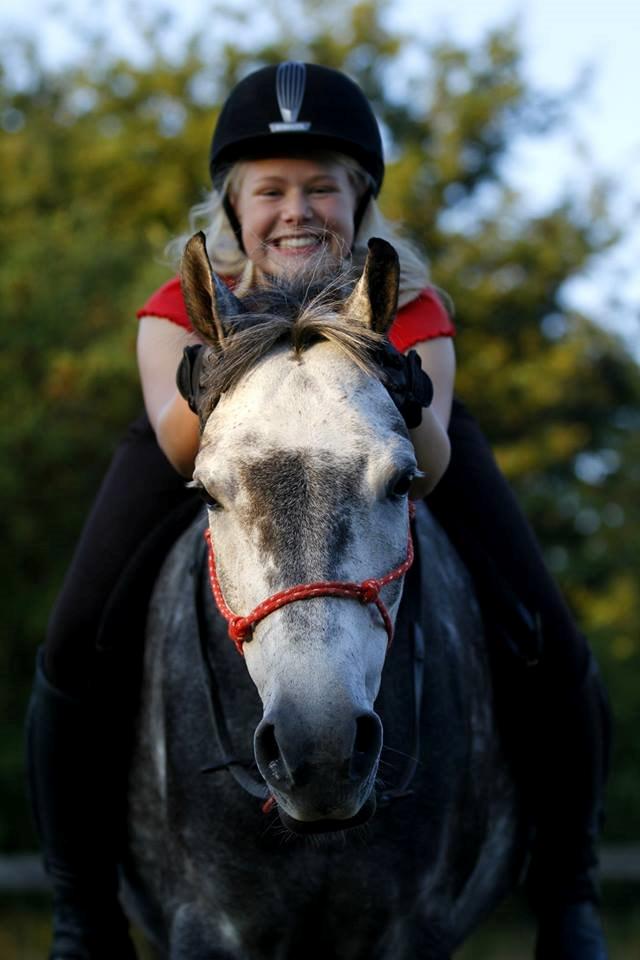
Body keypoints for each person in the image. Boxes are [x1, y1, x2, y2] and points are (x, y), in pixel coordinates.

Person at [26, 61, 609, 960]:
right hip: (205, 454)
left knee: (552, 640)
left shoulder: (410, 309)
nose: (296, 209)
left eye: (320, 188)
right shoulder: (177, 310)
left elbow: (432, 465)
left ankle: (569, 900)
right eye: (271, 190)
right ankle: (82, 913)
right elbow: (183, 448)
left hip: (396, 453)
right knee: (73, 642)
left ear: (359, 199)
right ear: (233, 209)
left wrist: (406, 395)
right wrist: (212, 373)